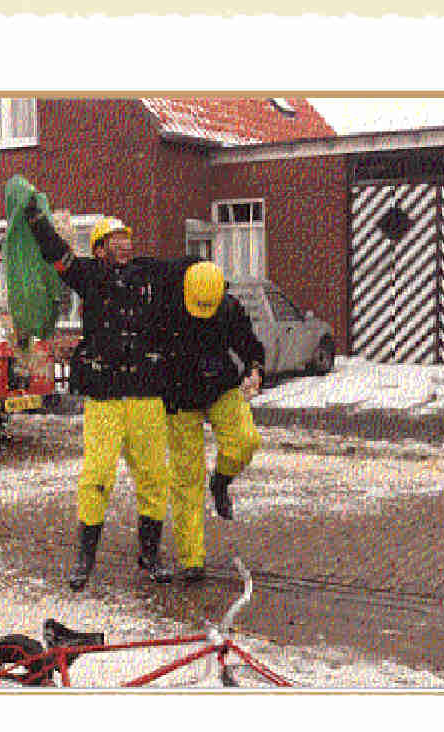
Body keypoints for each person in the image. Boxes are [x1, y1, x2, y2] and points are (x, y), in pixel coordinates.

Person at [23, 199, 178, 592]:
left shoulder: (148, 273)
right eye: (114, 239)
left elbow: (186, 272)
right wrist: (37, 222)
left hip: (145, 395)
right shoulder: (88, 275)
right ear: (98, 249)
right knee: (96, 477)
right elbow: (56, 253)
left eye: (126, 237)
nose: (123, 244)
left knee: (154, 477)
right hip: (105, 396)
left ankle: (151, 554)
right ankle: (85, 558)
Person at [161, 261, 266, 585]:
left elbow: (249, 345)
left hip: (221, 386)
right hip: (179, 397)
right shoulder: (166, 310)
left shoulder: (230, 309)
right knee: (186, 478)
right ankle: (192, 558)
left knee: (245, 441)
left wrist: (255, 369)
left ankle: (220, 482)